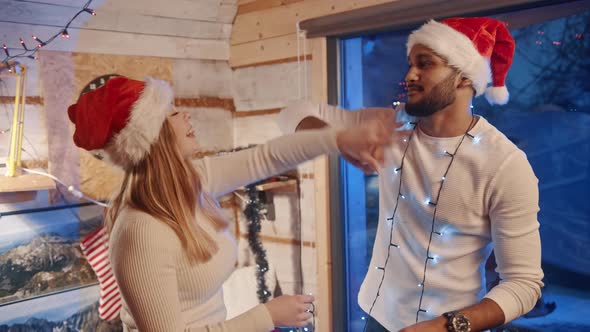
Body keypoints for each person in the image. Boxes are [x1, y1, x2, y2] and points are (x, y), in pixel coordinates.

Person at [67, 76, 396, 331]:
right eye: (170, 113)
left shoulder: (194, 180)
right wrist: (266, 315)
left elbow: (266, 157)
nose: (185, 115)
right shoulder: (141, 230)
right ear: (152, 136)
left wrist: (337, 140)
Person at [279, 17, 544, 332]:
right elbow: (292, 113)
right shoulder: (391, 126)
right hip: (375, 316)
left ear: (463, 77)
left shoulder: (505, 164)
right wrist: (337, 139)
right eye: (410, 64)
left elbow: (524, 284)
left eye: (425, 64)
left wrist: (447, 326)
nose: (409, 75)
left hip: (448, 326)